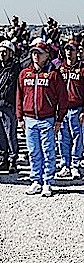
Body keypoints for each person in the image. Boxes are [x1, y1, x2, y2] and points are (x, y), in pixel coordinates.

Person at [16, 39, 68, 197]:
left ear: (47, 55)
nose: (35, 56)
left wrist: (59, 119)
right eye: (33, 53)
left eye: (39, 53)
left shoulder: (53, 75)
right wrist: (20, 117)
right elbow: (19, 96)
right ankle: (36, 180)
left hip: (47, 119)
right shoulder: (25, 73)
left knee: (48, 151)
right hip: (29, 119)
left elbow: (63, 98)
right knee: (33, 152)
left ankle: (47, 182)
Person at [0, 40, 21, 173]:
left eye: (5, 51)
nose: (2, 54)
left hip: (9, 105)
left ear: (11, 53)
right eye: (1, 51)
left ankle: (13, 160)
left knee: (11, 134)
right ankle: (3, 159)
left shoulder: (16, 68)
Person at [56, 40, 84, 179]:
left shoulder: (82, 69)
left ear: (77, 51)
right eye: (67, 49)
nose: (68, 52)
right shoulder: (60, 68)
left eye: (71, 49)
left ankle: (75, 165)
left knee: (78, 137)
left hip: (77, 108)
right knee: (62, 137)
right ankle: (65, 164)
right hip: (63, 109)